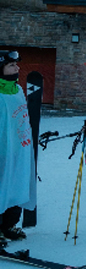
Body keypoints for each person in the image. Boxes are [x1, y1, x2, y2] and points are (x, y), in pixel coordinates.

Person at [0, 50, 35, 245]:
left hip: (18, 149)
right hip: (1, 150)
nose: (17, 68)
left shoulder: (18, 90)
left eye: (16, 65)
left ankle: (8, 225)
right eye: (12, 65)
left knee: (16, 186)